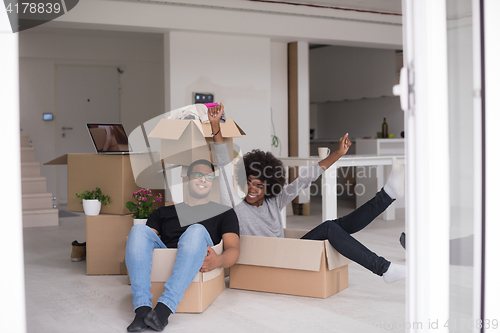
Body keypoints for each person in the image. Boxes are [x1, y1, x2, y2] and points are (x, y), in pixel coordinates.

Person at [208, 103, 405, 284]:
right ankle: (383, 268)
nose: (252, 189)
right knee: (329, 228)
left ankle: (387, 195)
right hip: (276, 261)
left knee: (339, 226)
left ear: (269, 188)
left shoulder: (274, 202)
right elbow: (224, 166)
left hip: (289, 254)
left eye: (259, 186)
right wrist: (215, 127)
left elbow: (304, 179)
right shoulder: (236, 206)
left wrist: (338, 153)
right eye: (249, 183)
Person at [125, 159, 240, 332]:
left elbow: (234, 249)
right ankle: (142, 309)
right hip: (167, 253)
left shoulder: (224, 212)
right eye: (198, 175)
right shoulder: (163, 212)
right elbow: (141, 245)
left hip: (199, 253)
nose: (203, 180)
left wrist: (218, 261)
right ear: (186, 179)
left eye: (208, 177)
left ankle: (164, 309)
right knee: (138, 231)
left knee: (196, 230)